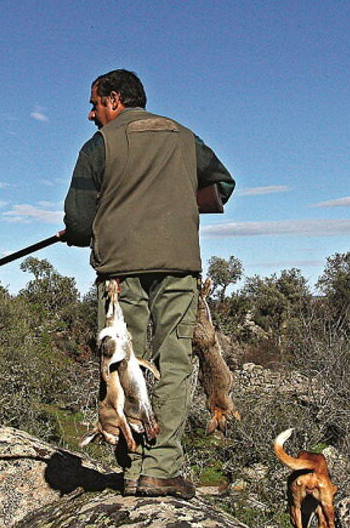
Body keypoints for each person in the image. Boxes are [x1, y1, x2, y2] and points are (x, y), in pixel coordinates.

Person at [63, 69, 235, 499]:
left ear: (115, 100)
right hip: (178, 267)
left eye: (95, 104)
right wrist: (176, 203)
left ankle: (135, 467)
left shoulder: (98, 146)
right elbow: (223, 184)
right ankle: (163, 467)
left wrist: (81, 231)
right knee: (174, 362)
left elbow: (80, 221)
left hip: (119, 272)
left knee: (124, 366)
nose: (91, 114)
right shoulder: (184, 137)